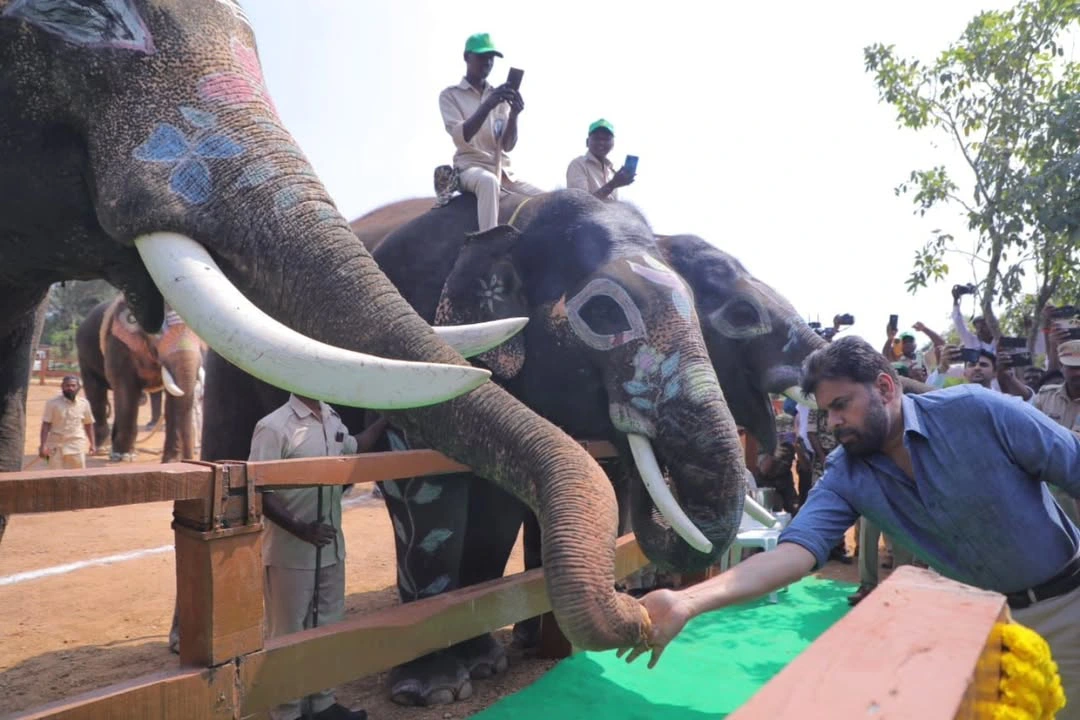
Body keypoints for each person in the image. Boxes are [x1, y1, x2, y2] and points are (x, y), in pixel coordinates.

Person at [619, 337, 1080, 713]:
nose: (834, 422)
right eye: (826, 412)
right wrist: (686, 601)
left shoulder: (980, 413)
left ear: (884, 387)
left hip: (1066, 606)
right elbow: (793, 553)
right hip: (975, 624)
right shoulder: (847, 472)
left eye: (842, 405)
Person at [252, 394, 387, 720]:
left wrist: (388, 418)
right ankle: (286, 713)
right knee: (287, 634)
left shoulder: (332, 418)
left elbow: (356, 446)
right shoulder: (273, 427)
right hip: (290, 553)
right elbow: (258, 490)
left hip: (330, 549)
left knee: (327, 627)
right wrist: (301, 529)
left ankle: (322, 705)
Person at [438, 32, 543, 232]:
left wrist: (514, 115)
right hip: (470, 168)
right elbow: (462, 138)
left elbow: (507, 145)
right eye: (481, 56)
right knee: (488, 182)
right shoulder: (450, 95)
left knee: (549, 200)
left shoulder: (499, 96)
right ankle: (487, 241)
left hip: (505, 172)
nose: (487, 62)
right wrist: (488, 105)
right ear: (466, 57)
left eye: (491, 58)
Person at [1033, 339, 1080, 525]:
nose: (1077, 372)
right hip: (1051, 488)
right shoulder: (1045, 397)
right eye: (1071, 367)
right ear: (1061, 367)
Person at [565, 119, 635, 201]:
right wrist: (613, 184)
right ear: (587, 142)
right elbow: (581, 204)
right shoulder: (578, 164)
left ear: (613, 144)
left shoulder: (611, 170)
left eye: (606, 139)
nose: (601, 142)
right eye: (596, 138)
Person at [39, 375, 95, 469]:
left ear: (78, 387)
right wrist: (43, 446)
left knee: (78, 474)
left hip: (76, 444)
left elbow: (88, 424)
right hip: (54, 445)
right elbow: (46, 425)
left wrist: (92, 444)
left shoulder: (84, 403)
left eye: (73, 385)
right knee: (52, 475)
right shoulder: (52, 403)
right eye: (67, 385)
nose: (70, 388)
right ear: (62, 387)